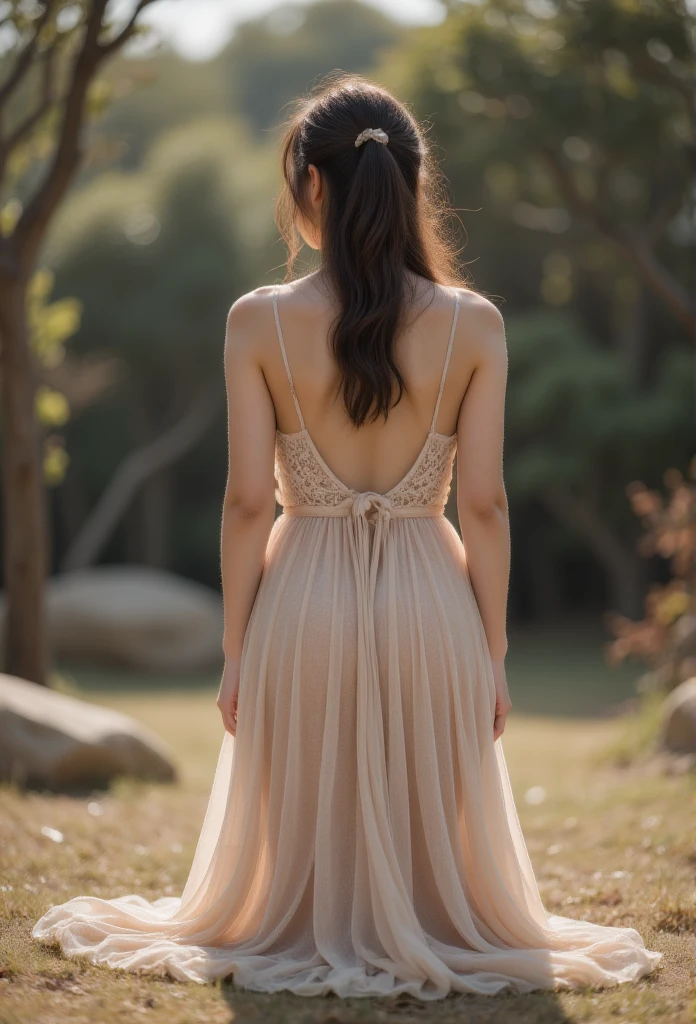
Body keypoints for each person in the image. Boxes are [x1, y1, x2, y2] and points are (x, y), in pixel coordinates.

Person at [33, 74, 662, 999]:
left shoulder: (259, 320)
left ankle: (322, 924)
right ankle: (414, 925)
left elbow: (249, 502)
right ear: (410, 186)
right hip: (430, 604)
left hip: (302, 602)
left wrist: (236, 646)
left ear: (311, 187)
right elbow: (482, 506)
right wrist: (490, 652)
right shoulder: (474, 325)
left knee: (308, 820)